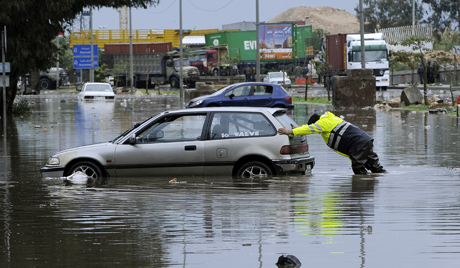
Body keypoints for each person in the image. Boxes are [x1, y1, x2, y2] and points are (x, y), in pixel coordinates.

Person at [278, 111, 386, 175]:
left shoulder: (323, 123)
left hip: (358, 145)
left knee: (358, 169)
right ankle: (378, 182)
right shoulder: (330, 119)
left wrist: (290, 131)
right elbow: (310, 128)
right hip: (365, 141)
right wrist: (299, 128)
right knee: (374, 167)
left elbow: (310, 129)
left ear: (317, 123)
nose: (316, 131)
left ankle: (362, 190)